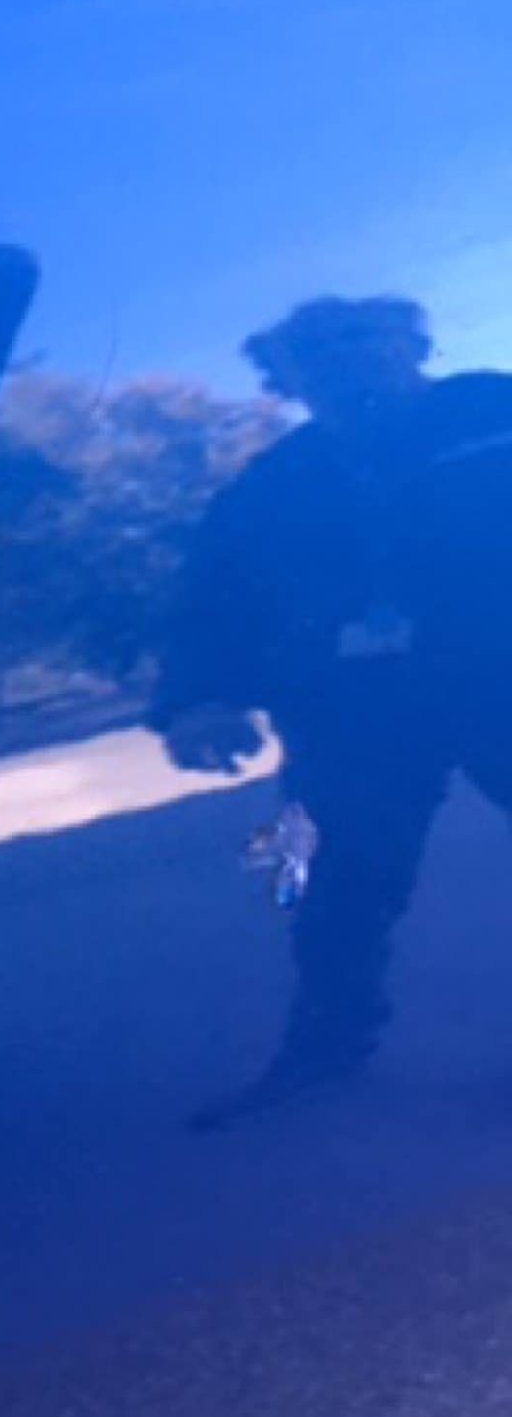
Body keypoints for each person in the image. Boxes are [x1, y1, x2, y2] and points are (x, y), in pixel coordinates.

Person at [152, 296, 512, 1129]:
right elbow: (212, 601)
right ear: (287, 379)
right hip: (352, 710)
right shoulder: (269, 489)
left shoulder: (494, 412)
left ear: (413, 342)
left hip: (497, 673)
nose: (343, 355)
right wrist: (197, 700)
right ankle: (326, 1045)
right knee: (334, 881)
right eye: (312, 350)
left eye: (360, 334)